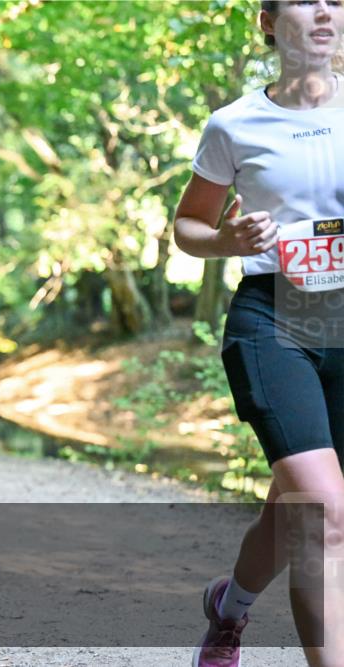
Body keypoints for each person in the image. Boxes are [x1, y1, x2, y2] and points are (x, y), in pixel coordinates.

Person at [174, 2, 344, 665]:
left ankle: (229, 606)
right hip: (274, 321)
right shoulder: (236, 124)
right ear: (269, 22)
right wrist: (227, 238)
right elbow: (188, 227)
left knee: (298, 505)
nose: (326, 11)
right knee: (325, 511)